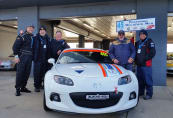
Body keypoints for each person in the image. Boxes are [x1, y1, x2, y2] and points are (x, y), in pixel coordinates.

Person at [12, 25, 35, 96]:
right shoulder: (22, 36)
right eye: (29, 28)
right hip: (22, 57)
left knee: (26, 73)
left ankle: (23, 87)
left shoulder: (32, 37)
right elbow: (15, 47)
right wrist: (16, 56)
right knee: (20, 73)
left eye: (32, 28)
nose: (31, 29)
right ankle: (17, 89)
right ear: (27, 28)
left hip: (29, 57)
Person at [135, 29, 156, 100]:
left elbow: (152, 52)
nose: (142, 35)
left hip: (146, 65)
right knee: (140, 80)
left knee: (148, 80)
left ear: (146, 35)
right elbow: (135, 53)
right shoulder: (137, 43)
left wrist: (144, 59)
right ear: (139, 35)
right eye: (141, 34)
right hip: (139, 65)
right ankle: (141, 92)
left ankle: (149, 94)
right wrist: (136, 61)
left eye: (143, 34)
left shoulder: (149, 41)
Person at [33, 26, 52, 92]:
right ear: (39, 31)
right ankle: (37, 86)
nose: (42, 31)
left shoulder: (48, 39)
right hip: (38, 59)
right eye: (40, 30)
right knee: (37, 73)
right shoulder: (35, 38)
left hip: (46, 60)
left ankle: (43, 85)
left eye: (43, 30)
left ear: (45, 31)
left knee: (44, 73)